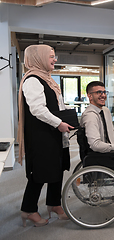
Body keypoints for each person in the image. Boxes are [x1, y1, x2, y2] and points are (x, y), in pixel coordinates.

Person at [18, 45, 73, 227]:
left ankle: (54, 204)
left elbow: (57, 107)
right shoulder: (33, 80)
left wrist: (67, 120)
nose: (55, 59)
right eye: (50, 56)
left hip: (53, 135)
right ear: (38, 58)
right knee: (40, 174)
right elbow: (37, 109)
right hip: (41, 137)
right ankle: (28, 210)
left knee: (57, 170)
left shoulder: (48, 79)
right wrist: (59, 123)